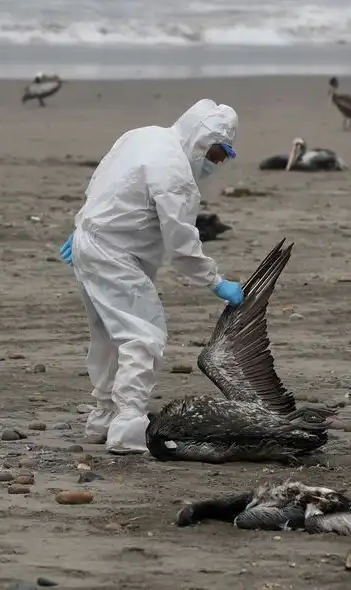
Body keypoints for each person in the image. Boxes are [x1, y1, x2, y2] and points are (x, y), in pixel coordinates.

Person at [58, 99, 245, 455]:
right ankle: (128, 425)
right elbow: (180, 243)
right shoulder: (175, 172)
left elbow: (102, 180)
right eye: (217, 153)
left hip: (93, 242)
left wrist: (81, 225)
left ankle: (103, 417)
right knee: (143, 335)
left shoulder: (141, 136)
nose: (216, 163)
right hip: (116, 254)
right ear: (201, 140)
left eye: (224, 157)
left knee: (107, 335)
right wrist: (215, 281)